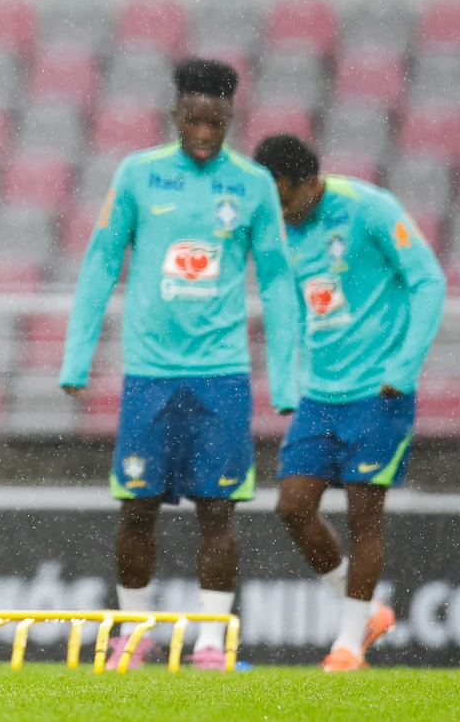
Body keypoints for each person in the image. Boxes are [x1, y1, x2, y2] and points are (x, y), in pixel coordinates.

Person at [59, 58, 299, 670]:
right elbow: (101, 262)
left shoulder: (251, 185)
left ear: (229, 119)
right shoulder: (139, 175)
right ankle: (134, 637)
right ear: (176, 115)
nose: (203, 132)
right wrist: (77, 357)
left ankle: (212, 645)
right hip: (150, 374)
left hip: (221, 375)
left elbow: (275, 280)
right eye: (193, 119)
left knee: (218, 510)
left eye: (214, 122)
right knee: (136, 507)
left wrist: (288, 375)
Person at [253, 134, 445, 672]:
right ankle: (365, 613)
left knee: (364, 517)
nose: (281, 213)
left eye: (286, 200)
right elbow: (290, 304)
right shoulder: (279, 228)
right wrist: (288, 380)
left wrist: (403, 368)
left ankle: (346, 647)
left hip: (379, 392)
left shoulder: (369, 209)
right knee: (292, 506)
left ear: (311, 182)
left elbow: (428, 281)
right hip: (321, 394)